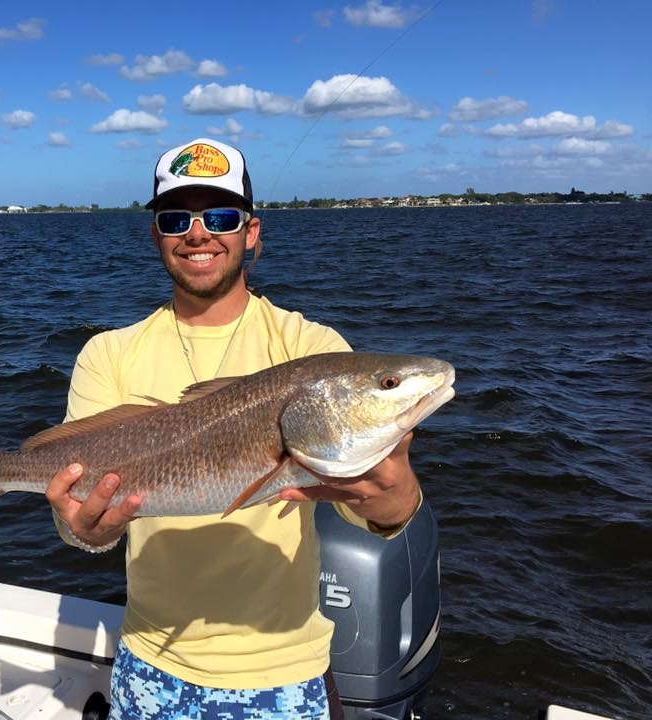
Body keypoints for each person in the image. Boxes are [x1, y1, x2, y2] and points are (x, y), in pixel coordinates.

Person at [45, 138, 423, 719]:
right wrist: (86, 531)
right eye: (176, 218)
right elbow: (81, 528)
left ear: (251, 231)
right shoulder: (108, 355)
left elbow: (385, 512)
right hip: (150, 661)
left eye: (219, 216)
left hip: (286, 671)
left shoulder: (312, 349)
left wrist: (396, 496)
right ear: (156, 236)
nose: (198, 234)